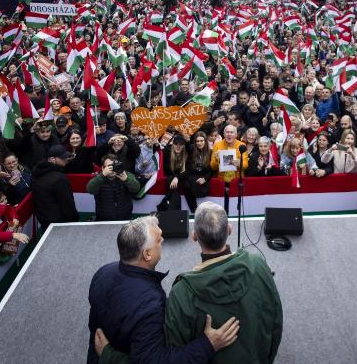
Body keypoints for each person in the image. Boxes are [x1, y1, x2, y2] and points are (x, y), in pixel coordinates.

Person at [87, 216, 239, 364]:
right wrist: (208, 344)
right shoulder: (149, 304)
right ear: (147, 254)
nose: (163, 241)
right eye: (159, 241)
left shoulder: (102, 273)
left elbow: (95, 326)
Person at [164, 202, 283, 363]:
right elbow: (276, 320)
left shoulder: (181, 293)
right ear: (229, 229)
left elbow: (174, 352)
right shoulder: (258, 264)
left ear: (194, 236)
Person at [31, 145, 79, 230]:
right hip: (60, 222)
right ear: (52, 159)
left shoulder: (36, 174)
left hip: (44, 220)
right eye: (62, 157)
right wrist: (74, 219)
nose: (66, 159)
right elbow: (67, 203)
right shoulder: (60, 178)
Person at [86, 155, 140, 221]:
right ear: (103, 168)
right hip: (104, 219)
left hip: (125, 218)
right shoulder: (98, 178)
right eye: (109, 167)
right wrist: (102, 175)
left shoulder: (125, 175)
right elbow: (90, 190)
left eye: (114, 166)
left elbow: (136, 188)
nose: (112, 169)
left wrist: (126, 179)